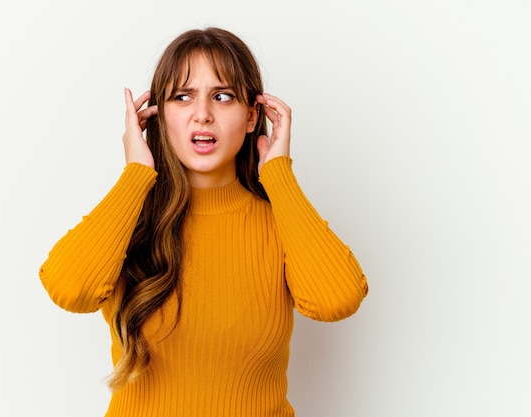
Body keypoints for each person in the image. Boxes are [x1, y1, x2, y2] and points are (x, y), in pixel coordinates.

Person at [39, 26, 368, 417]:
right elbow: (68, 289)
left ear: (251, 117)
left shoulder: (282, 223)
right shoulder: (128, 221)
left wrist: (279, 174)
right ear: (157, 116)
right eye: (183, 97)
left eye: (222, 96)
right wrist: (135, 176)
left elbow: (338, 299)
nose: (202, 115)